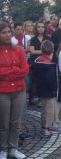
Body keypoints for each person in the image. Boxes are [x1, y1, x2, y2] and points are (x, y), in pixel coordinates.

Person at [0, 21, 29, 159]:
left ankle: (13, 148)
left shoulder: (19, 49)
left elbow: (25, 70)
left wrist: (6, 73)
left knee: (16, 122)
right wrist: (14, 70)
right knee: (4, 122)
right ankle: (4, 149)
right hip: (2, 91)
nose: (7, 35)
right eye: (3, 32)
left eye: (8, 32)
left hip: (19, 91)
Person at [31, 40, 58, 138]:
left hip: (40, 88)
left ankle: (48, 126)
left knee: (45, 108)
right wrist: (55, 89)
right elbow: (51, 79)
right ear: (52, 50)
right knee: (49, 109)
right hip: (49, 90)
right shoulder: (48, 64)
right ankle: (45, 128)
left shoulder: (38, 60)